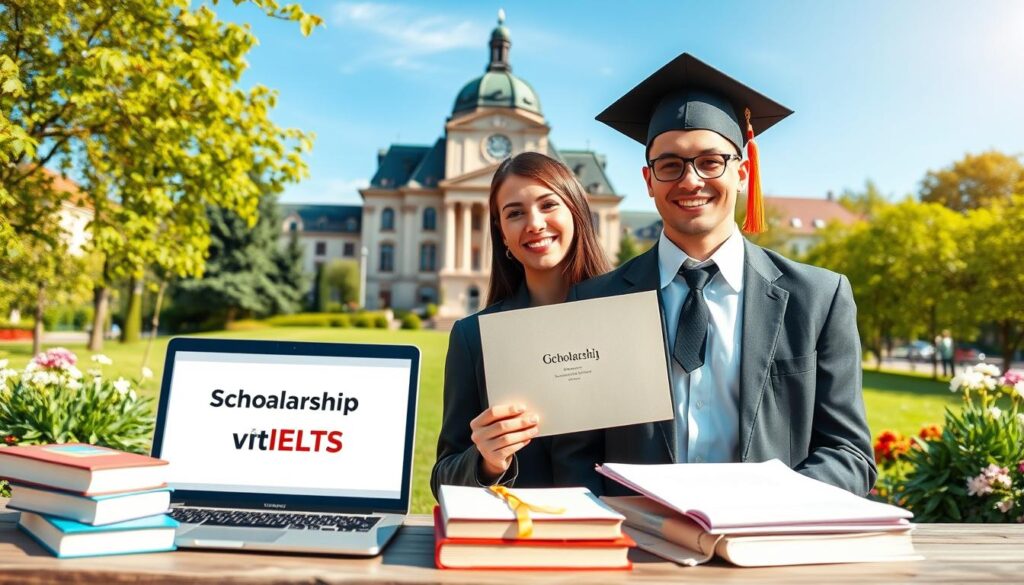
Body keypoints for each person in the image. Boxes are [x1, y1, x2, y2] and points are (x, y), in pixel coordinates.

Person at [562, 53, 875, 497]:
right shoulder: (597, 303)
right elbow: (574, 454)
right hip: (640, 550)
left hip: (765, 552)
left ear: (743, 172)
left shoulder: (818, 299)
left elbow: (849, 454)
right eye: (670, 165)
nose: (690, 181)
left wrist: (767, 510)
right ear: (649, 180)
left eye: (711, 162)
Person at [430, 152, 611, 499]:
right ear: (501, 233)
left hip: (624, 538)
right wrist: (486, 461)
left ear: (576, 211)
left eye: (548, 205)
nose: (534, 223)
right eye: (515, 213)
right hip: (520, 537)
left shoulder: (629, 321)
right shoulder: (474, 337)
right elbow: (443, 481)